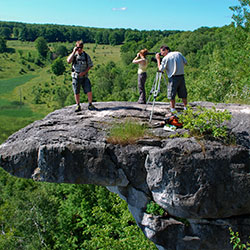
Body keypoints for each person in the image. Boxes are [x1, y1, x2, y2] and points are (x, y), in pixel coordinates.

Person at [156, 45, 187, 113]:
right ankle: (186, 108)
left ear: (166, 50)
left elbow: (161, 69)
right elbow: (185, 62)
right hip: (181, 76)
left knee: (171, 94)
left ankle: (173, 109)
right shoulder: (179, 53)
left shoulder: (166, 58)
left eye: (162, 52)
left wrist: (158, 60)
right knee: (183, 94)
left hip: (173, 77)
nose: (161, 54)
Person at [67, 40, 96, 112]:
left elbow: (90, 65)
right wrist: (74, 52)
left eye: (81, 47)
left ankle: (90, 104)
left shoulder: (86, 56)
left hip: (84, 76)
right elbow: (68, 61)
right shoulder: (74, 55)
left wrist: (84, 72)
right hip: (76, 76)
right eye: (78, 47)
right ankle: (78, 105)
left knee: (88, 90)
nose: (79, 49)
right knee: (76, 91)